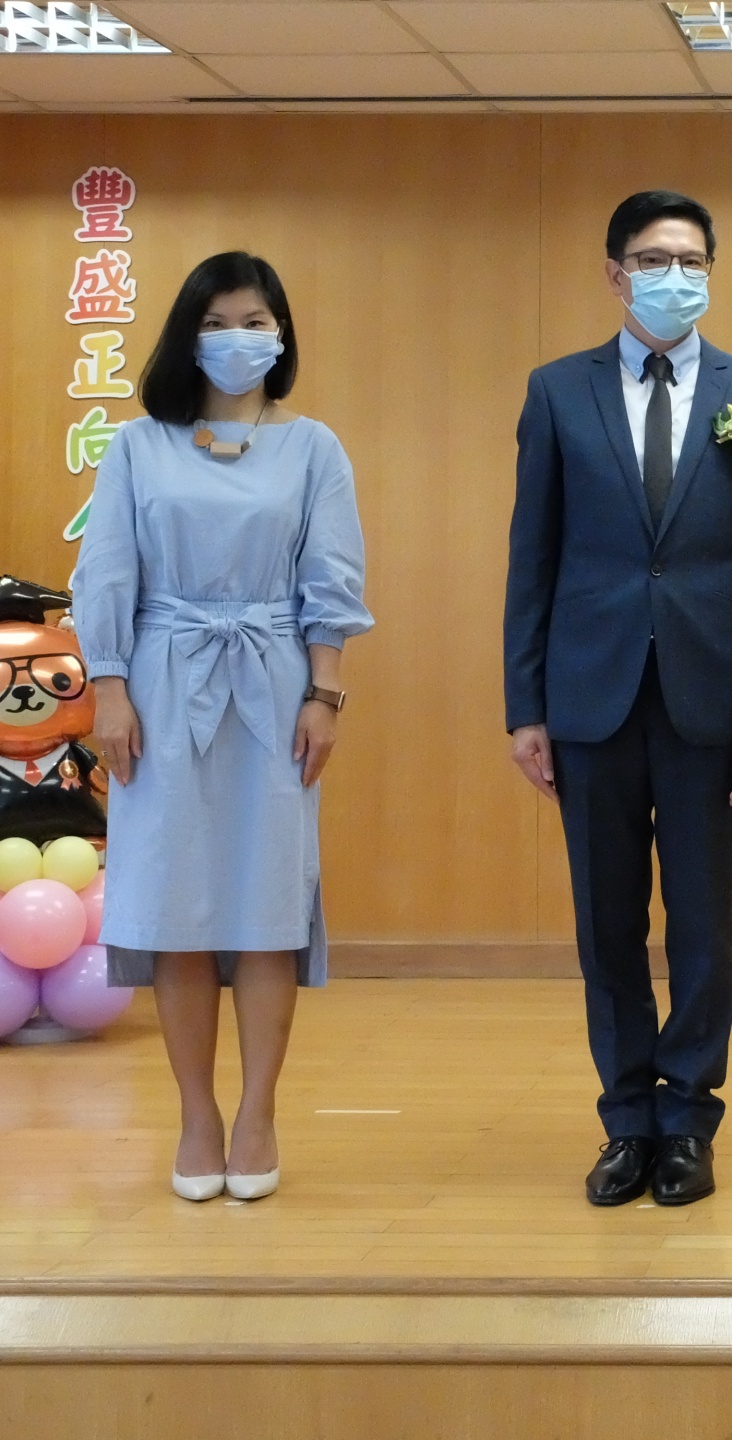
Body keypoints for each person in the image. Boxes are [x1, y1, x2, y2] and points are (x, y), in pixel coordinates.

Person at [504, 190, 732, 1209]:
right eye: (651, 259)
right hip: (588, 696)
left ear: (710, 271)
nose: (673, 276)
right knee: (607, 922)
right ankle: (626, 1118)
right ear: (614, 273)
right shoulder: (557, 391)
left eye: (690, 260)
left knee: (702, 923)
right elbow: (532, 559)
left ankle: (689, 1120)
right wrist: (525, 706)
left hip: (709, 699)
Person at [72, 251, 372, 1204]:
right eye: (217, 322)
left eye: (255, 322)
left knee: (266, 905)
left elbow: (331, 577)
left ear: (281, 335)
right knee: (180, 909)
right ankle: (197, 1116)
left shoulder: (313, 447)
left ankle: (258, 1114)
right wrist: (108, 689)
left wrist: (325, 694)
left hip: (274, 683)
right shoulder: (138, 445)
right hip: (161, 681)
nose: (237, 339)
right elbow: (106, 570)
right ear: (186, 335)